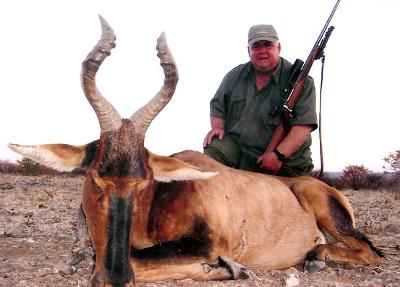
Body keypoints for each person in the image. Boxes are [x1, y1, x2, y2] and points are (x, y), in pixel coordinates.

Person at [203, 24, 317, 177]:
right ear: (248, 50)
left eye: (268, 45)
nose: (262, 51)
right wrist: (217, 127)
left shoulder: (302, 82)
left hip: (285, 161)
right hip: (241, 152)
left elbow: (303, 127)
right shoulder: (234, 76)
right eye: (256, 46)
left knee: (302, 195)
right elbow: (217, 107)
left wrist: (279, 156)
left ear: (279, 47)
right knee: (214, 147)